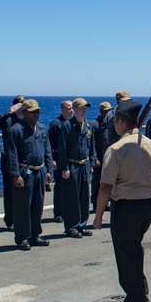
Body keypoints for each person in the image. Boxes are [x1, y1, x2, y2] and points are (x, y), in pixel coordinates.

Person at [94, 99, 151, 302]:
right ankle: (140, 292)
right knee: (134, 250)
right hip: (149, 204)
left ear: (120, 121)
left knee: (127, 255)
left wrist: (97, 217)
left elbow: (105, 187)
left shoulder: (115, 149)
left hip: (127, 207)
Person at [6, 99, 54, 249]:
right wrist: (15, 174)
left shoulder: (41, 128)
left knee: (37, 205)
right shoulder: (16, 130)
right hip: (24, 171)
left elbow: (47, 150)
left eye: (37, 111)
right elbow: (12, 154)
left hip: (39, 171)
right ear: (24, 113)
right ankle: (22, 237)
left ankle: (35, 235)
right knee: (22, 206)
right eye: (33, 112)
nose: (36, 114)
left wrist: (48, 170)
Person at [57, 98, 98, 238]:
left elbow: (92, 146)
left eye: (85, 108)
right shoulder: (67, 125)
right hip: (72, 164)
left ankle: (82, 225)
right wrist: (64, 167)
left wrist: (92, 163)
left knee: (84, 196)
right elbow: (62, 148)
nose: (84, 110)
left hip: (85, 165)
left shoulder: (88, 125)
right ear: (74, 109)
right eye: (81, 108)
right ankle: (71, 227)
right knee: (71, 197)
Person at [0, 95, 26, 230]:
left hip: (24, 159)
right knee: (10, 191)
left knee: (24, 190)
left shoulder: (26, 120)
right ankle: (10, 220)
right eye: (20, 104)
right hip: (9, 159)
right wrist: (9, 111)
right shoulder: (8, 120)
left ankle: (23, 218)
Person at [49, 100, 74, 223]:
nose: (72, 111)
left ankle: (68, 211)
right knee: (59, 187)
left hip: (70, 159)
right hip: (58, 158)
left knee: (70, 187)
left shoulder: (73, 124)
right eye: (69, 108)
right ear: (63, 110)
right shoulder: (56, 124)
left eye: (72, 108)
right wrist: (52, 160)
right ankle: (58, 213)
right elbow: (49, 144)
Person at [92, 101, 113, 212]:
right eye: (106, 111)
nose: (108, 113)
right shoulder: (95, 124)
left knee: (109, 180)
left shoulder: (110, 123)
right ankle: (96, 203)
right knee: (97, 180)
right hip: (99, 157)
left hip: (109, 156)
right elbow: (92, 143)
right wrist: (94, 158)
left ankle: (106, 202)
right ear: (101, 111)